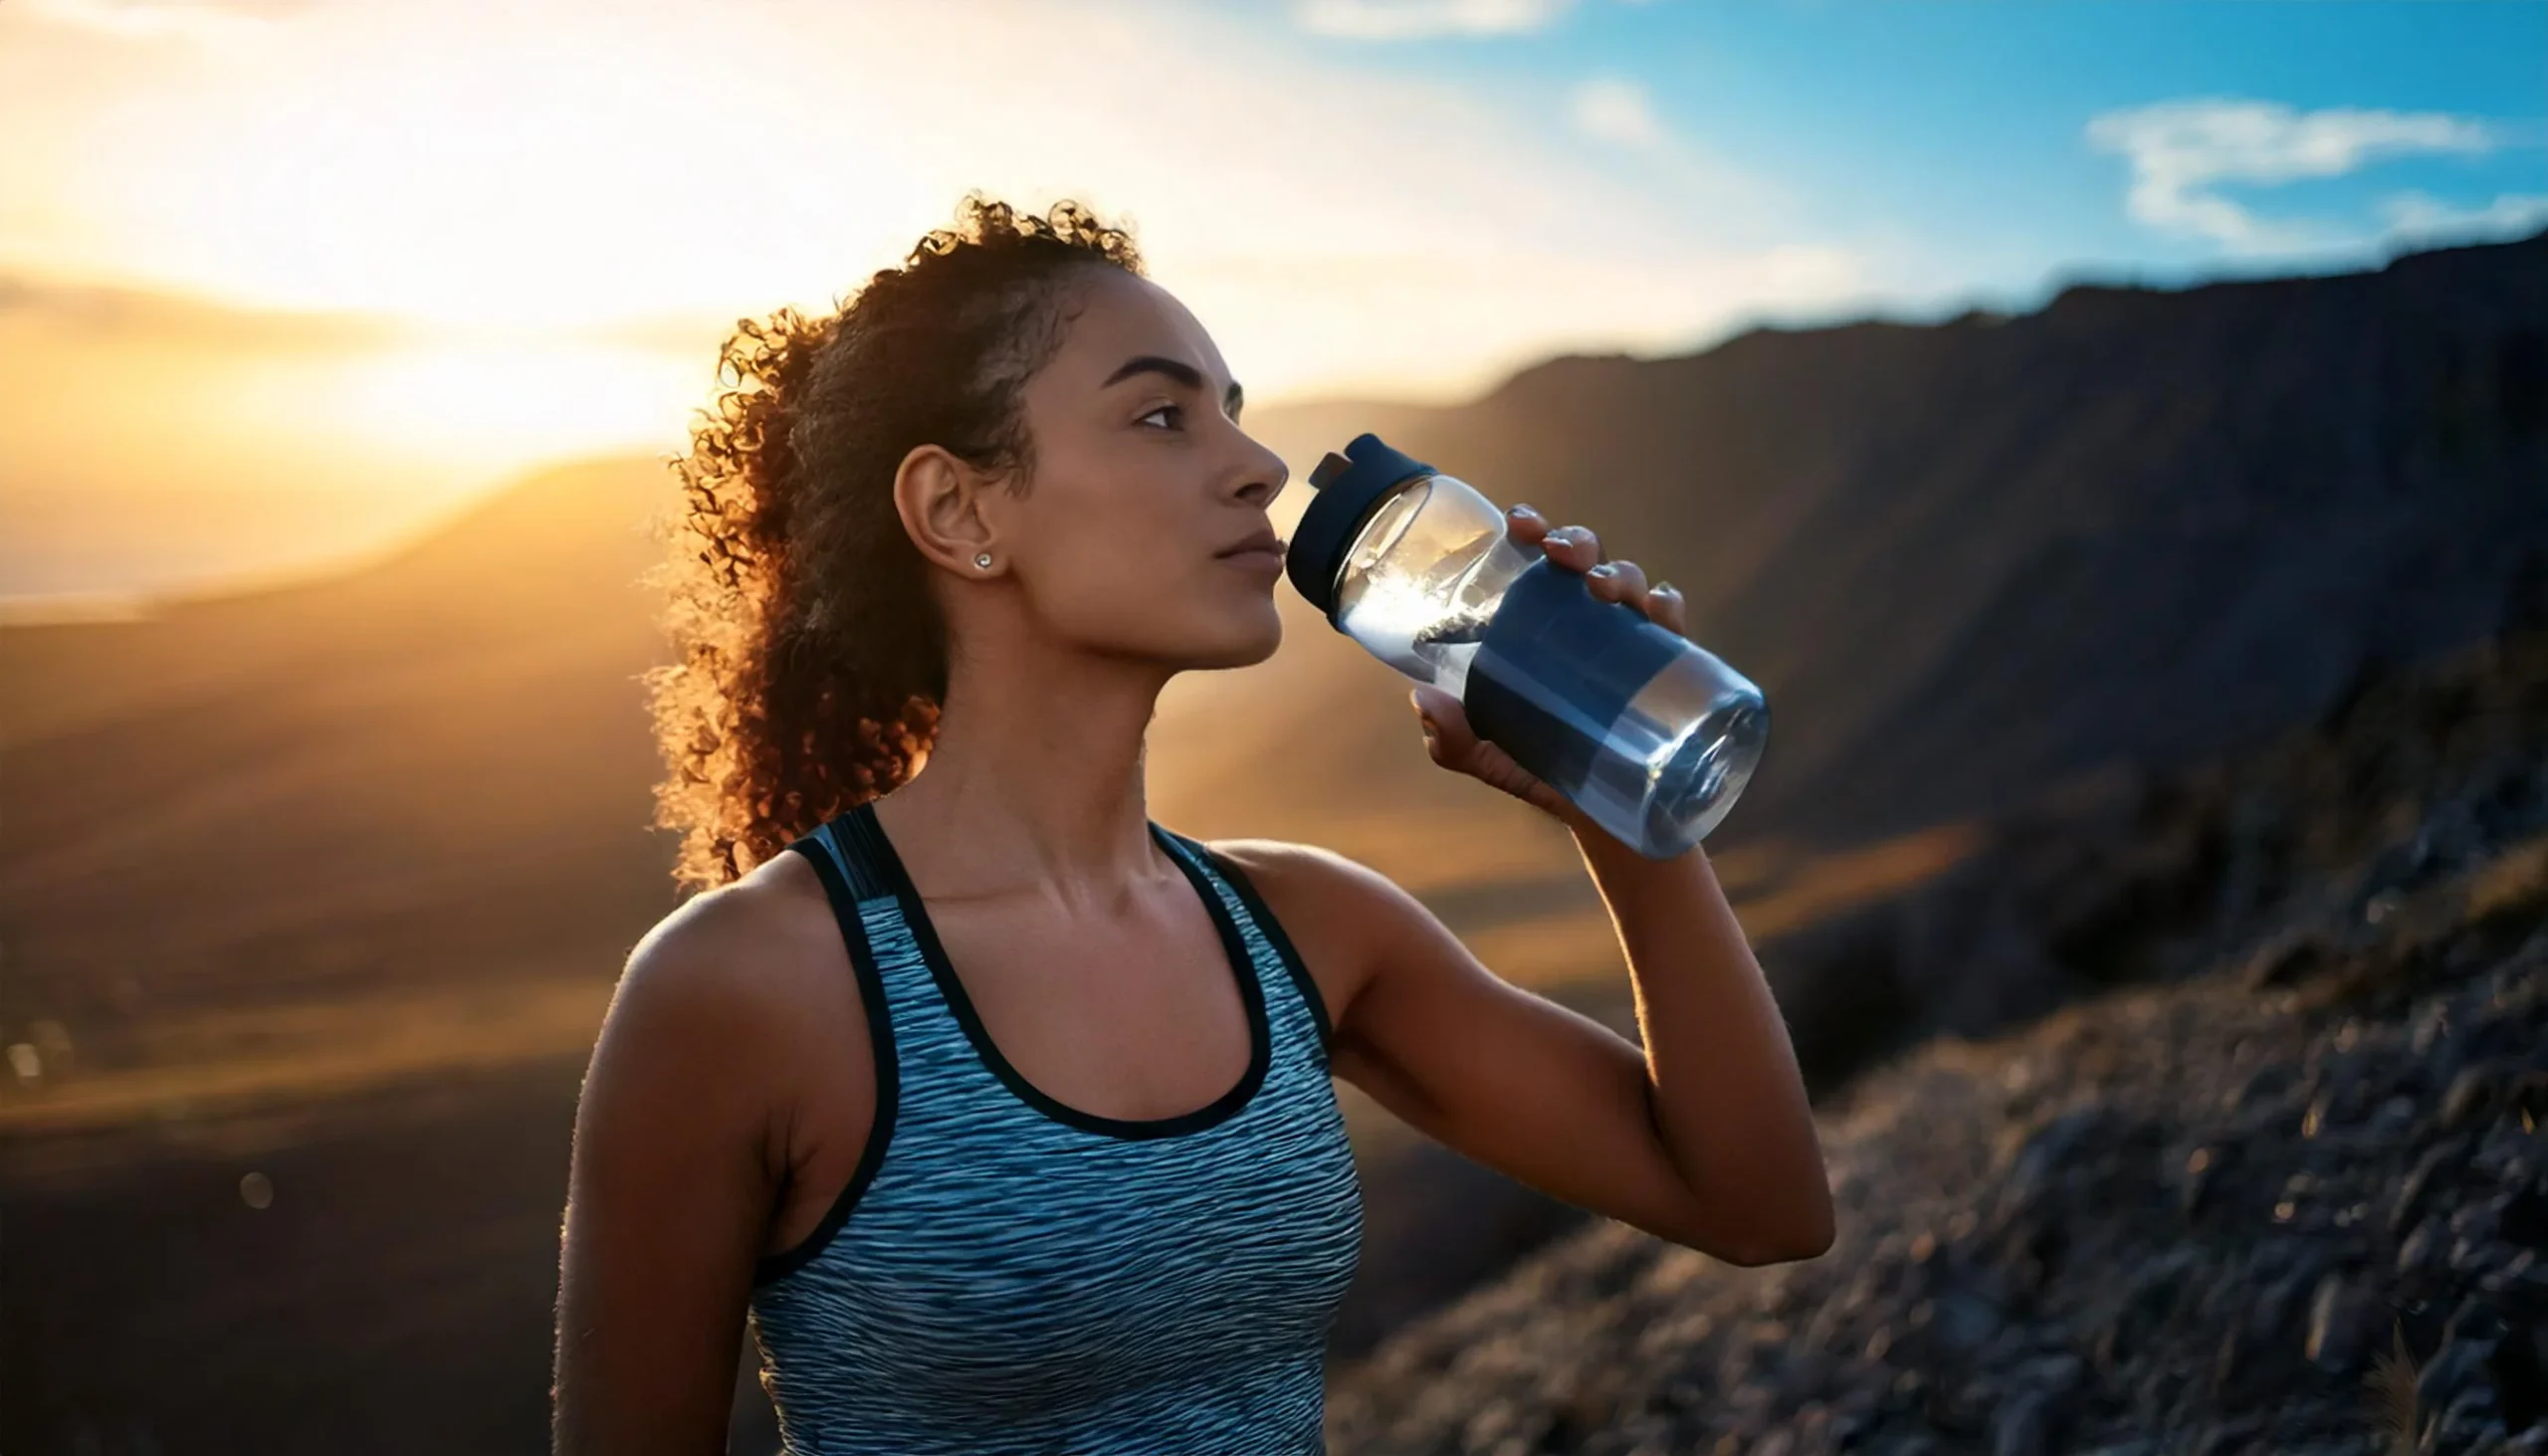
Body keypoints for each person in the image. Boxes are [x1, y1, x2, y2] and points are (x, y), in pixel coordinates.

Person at [551, 196, 1832, 1456]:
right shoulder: (745, 986)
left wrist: (1619, 797)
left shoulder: (1309, 928)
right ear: (958, 511)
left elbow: (1758, 1204)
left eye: (1231, 410)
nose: (1259, 468)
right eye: (1161, 415)